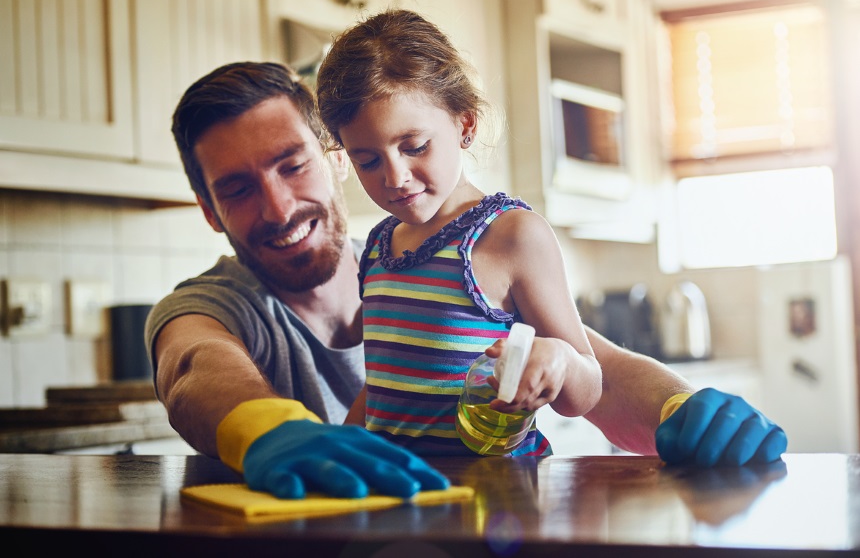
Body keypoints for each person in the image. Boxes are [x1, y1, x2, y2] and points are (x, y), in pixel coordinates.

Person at [145, 58, 786, 501]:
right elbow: (194, 367)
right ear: (209, 211)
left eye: (292, 165)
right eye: (236, 188)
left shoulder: (418, 257)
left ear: (333, 161)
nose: (279, 207)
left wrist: (679, 407)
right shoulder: (212, 305)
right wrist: (265, 430)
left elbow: (585, 360)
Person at [314, 9, 602, 456]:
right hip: (402, 500)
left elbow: (586, 391)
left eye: (414, 147)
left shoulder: (512, 236)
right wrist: (336, 450)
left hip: (494, 503)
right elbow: (383, 392)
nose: (395, 177)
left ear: (464, 125)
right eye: (367, 160)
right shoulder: (377, 246)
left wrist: (560, 361)